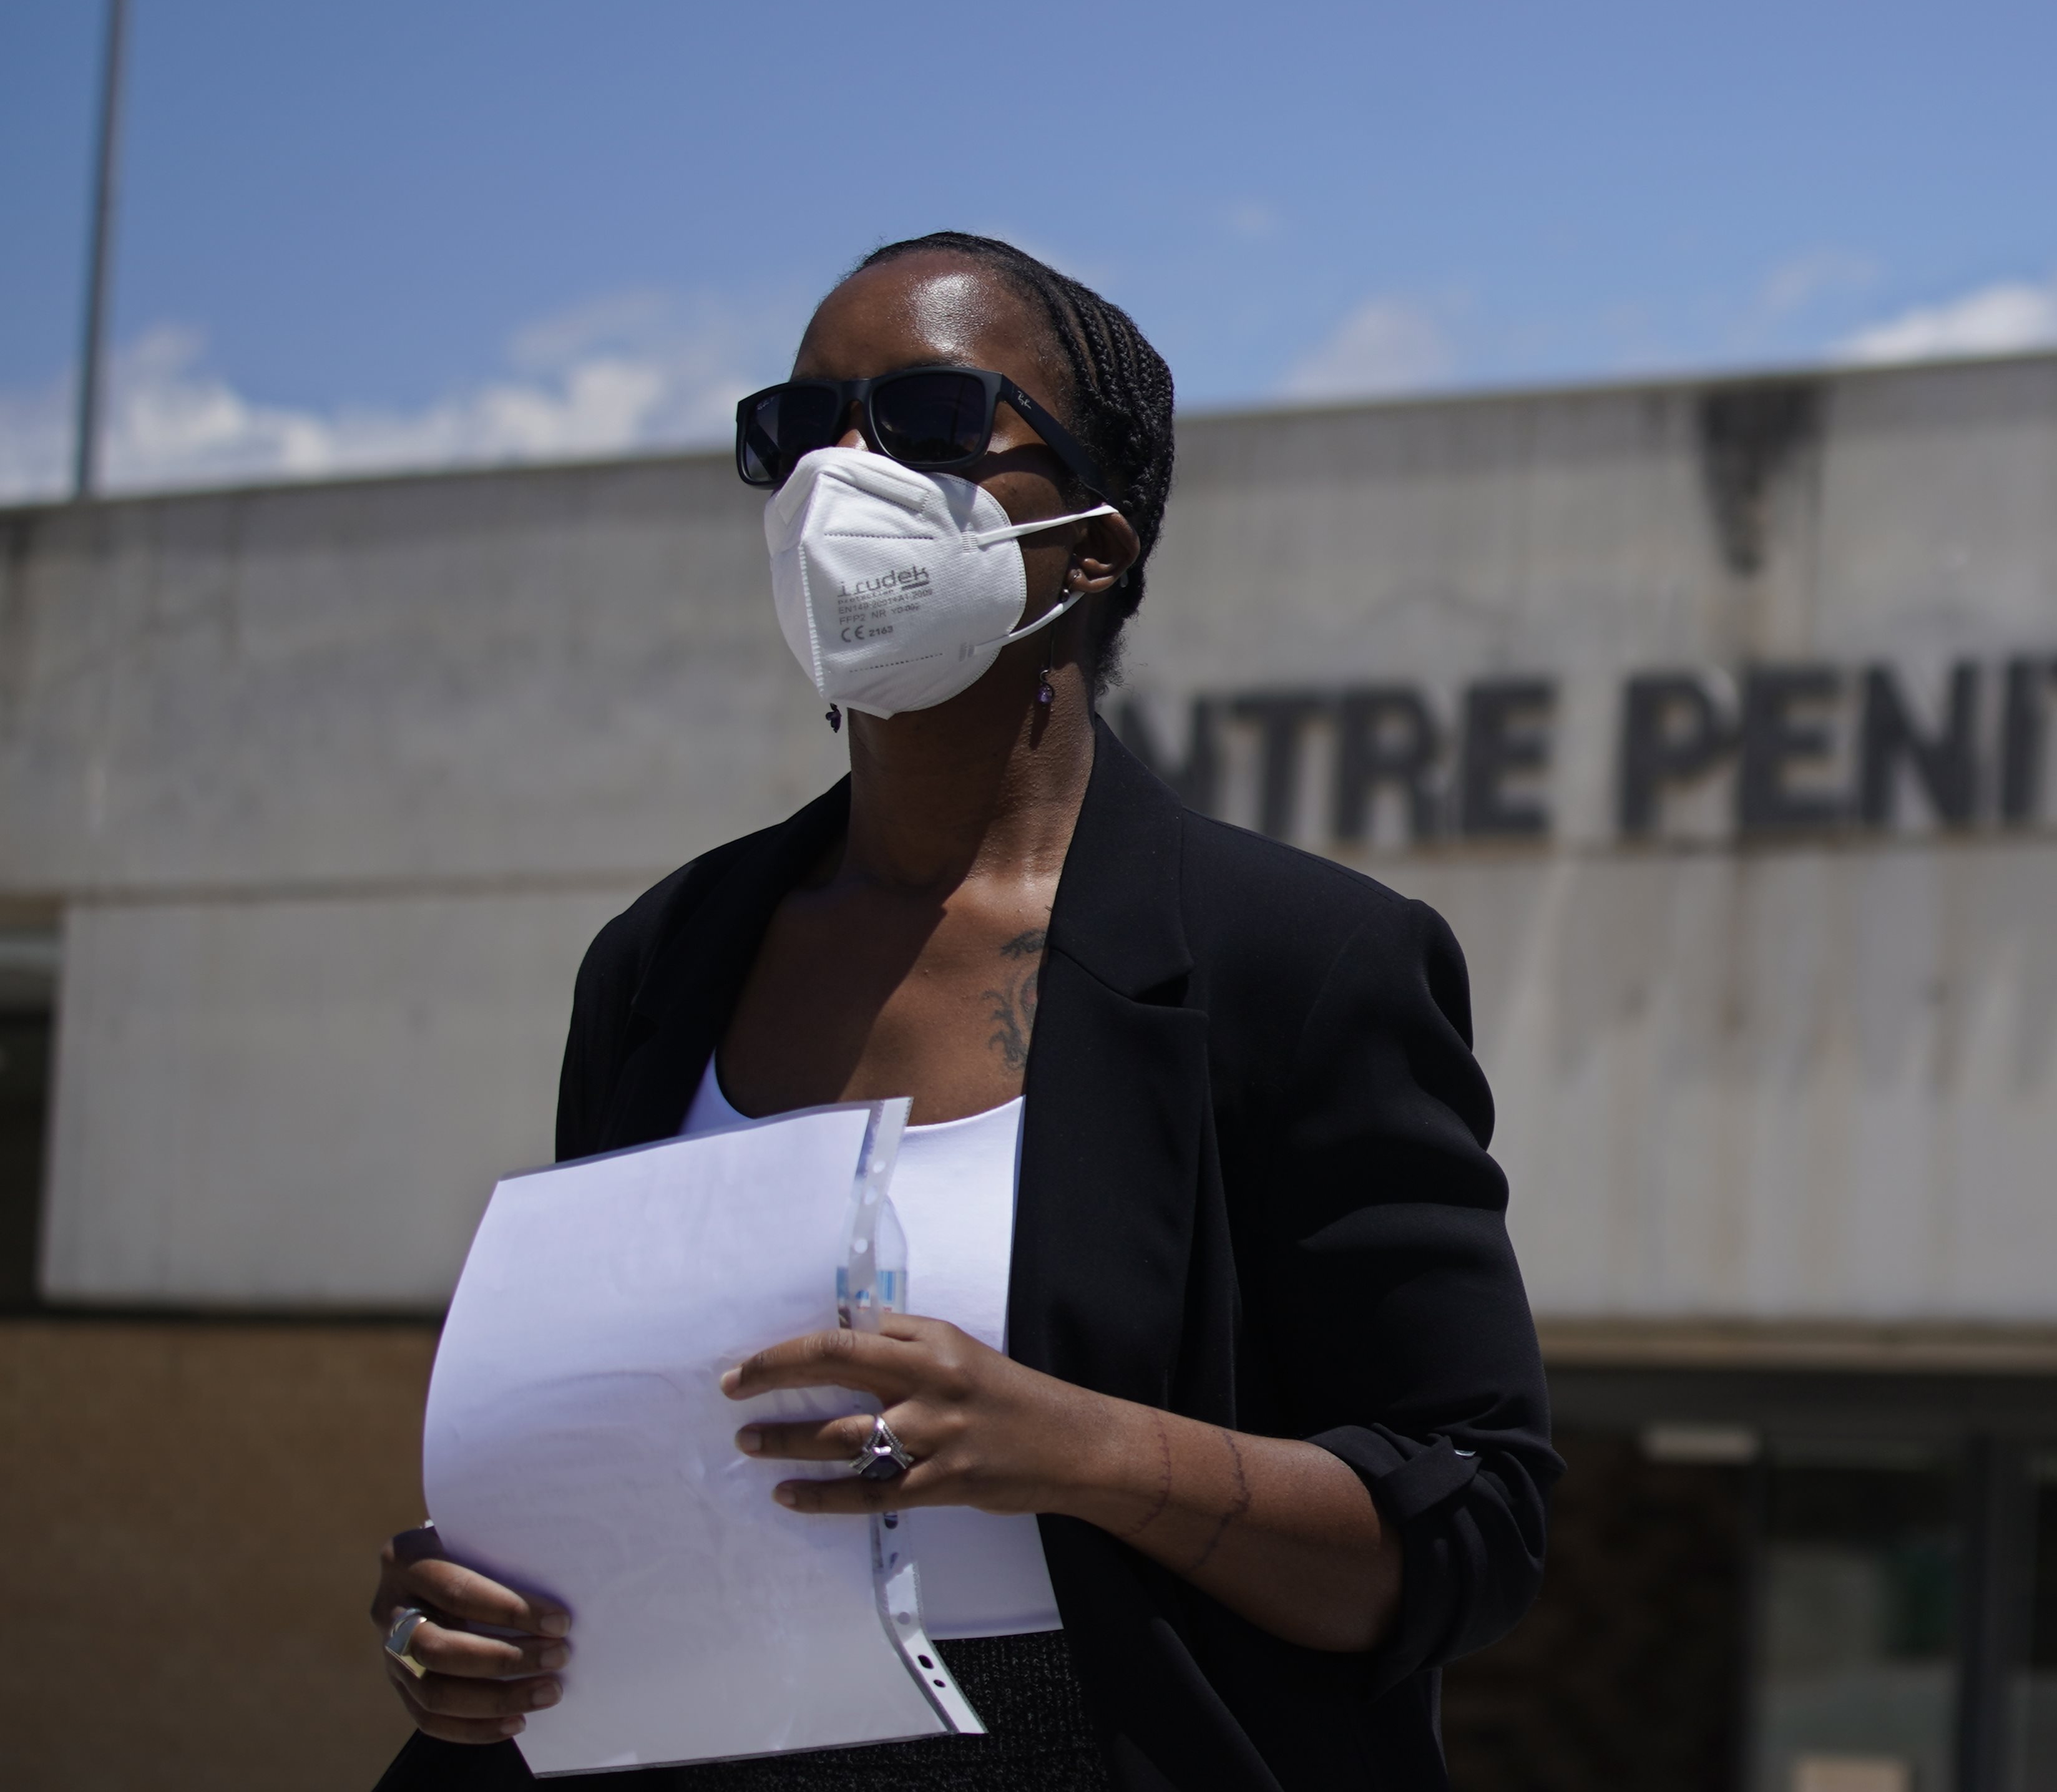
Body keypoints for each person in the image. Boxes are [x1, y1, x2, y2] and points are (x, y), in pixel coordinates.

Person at [368, 233, 1556, 1791]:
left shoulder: (1302, 963)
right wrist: (471, 1626)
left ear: (1094, 548)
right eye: (797, 428)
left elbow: (1471, 1528)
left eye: (927, 418)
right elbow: (611, 1466)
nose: (839, 477)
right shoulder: (663, 962)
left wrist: (1076, 1448)